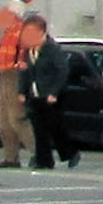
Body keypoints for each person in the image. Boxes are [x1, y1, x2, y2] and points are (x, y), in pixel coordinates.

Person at [20, 14, 73, 171]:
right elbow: (25, 72)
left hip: (49, 95)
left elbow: (62, 71)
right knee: (38, 129)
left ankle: (70, 154)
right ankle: (44, 160)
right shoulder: (29, 50)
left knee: (53, 128)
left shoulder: (52, 49)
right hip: (35, 95)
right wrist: (22, 91)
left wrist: (54, 92)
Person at [0, 0, 34, 167]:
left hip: (15, 75)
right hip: (4, 72)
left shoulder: (22, 30)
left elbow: (28, 54)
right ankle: (11, 157)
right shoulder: (8, 31)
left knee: (17, 117)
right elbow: (3, 50)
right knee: (4, 120)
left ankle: (38, 153)